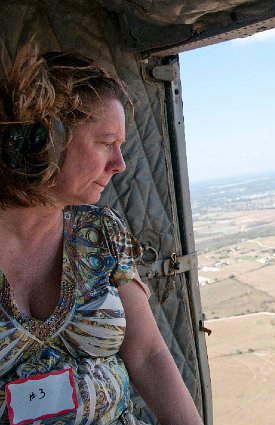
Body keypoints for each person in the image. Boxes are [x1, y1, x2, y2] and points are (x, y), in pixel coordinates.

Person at [0, 44, 203, 424]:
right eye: (106, 143)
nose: (119, 164)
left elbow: (148, 353)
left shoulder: (102, 231)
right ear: (46, 140)